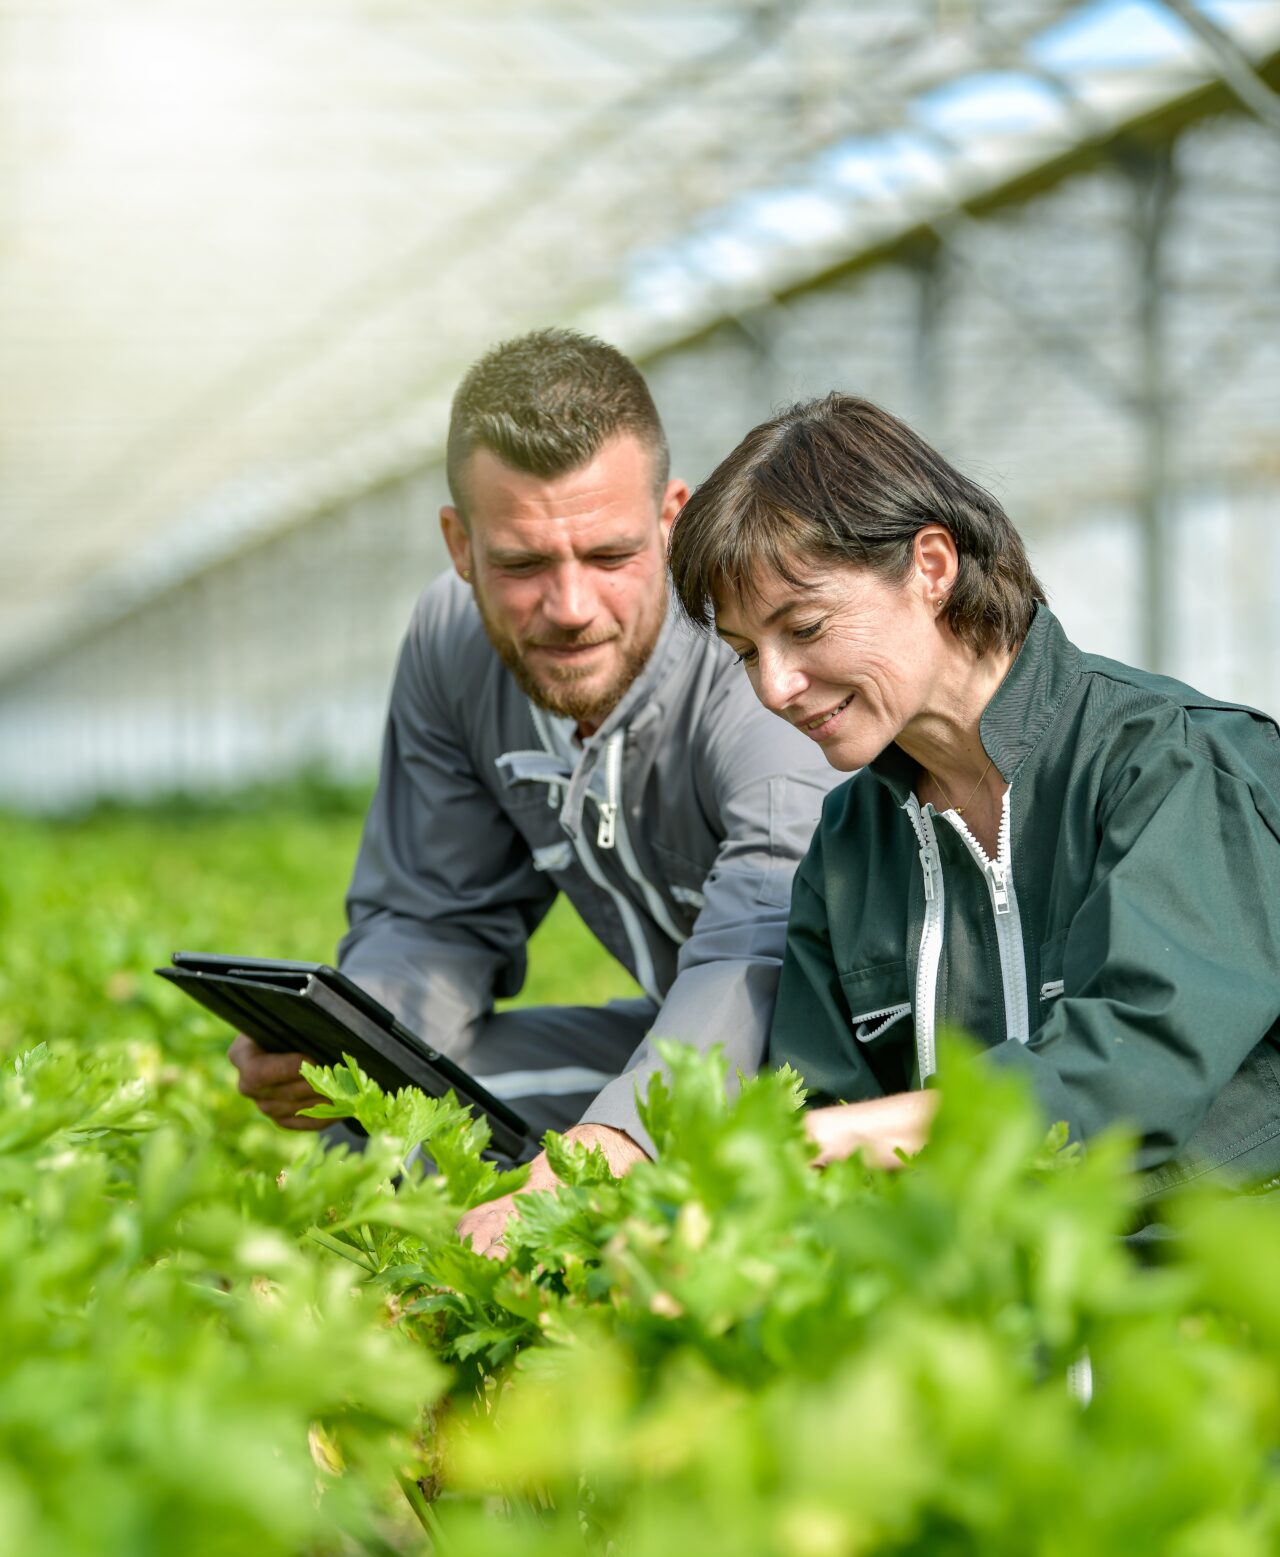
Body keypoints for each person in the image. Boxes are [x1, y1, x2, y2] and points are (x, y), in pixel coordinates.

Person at [231, 331, 841, 1248]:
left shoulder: (751, 652)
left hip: (846, 1058)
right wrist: (350, 1051)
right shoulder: (452, 648)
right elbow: (437, 914)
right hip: (683, 1039)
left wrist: (612, 1142)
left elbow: (761, 941)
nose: (569, 608)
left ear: (672, 518)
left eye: (609, 556)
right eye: (522, 564)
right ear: (459, 544)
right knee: (388, 1130)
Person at [665, 393, 1280, 1194]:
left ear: (931, 566)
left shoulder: (1176, 764)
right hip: (974, 1297)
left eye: (806, 628)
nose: (776, 686)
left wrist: (852, 1136)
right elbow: (819, 1100)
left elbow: (1135, 1063)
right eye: (747, 652)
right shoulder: (851, 843)